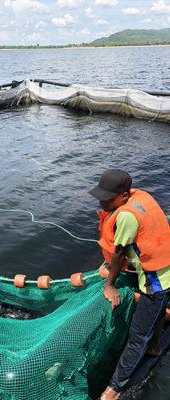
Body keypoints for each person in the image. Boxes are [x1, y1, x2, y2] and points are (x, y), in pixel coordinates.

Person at [89, 169, 170, 400]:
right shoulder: (141, 198)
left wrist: (109, 285)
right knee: (155, 314)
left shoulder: (125, 215)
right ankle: (155, 345)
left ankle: (113, 390)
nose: (103, 201)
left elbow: (120, 254)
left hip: (156, 280)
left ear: (124, 196)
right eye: (101, 196)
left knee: (137, 337)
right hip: (166, 268)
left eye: (108, 197)